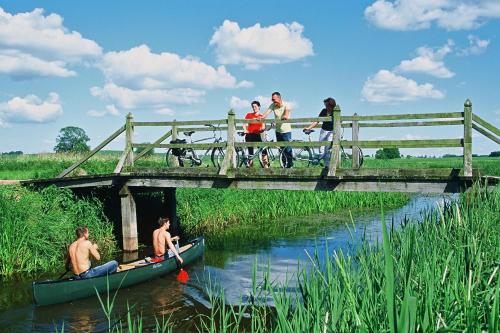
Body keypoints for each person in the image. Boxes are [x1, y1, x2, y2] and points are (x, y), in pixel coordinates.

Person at [261, 92, 293, 168]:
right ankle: (284, 166)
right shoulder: (273, 105)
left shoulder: (286, 104)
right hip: (278, 131)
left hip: (286, 131)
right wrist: (261, 118)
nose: (273, 101)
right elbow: (266, 114)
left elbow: (286, 113)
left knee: (288, 149)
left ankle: (290, 166)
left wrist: (285, 116)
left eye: (274, 99)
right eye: (272, 99)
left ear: (279, 98)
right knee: (281, 150)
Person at [304, 97, 336, 166]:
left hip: (331, 132)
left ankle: (327, 167)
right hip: (323, 130)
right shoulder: (324, 111)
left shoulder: (335, 112)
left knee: (327, 150)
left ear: (331, 105)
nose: (326, 107)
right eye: (325, 105)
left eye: (327, 105)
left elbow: (339, 122)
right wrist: (308, 128)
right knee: (321, 148)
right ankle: (325, 165)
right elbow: (317, 121)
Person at [243, 101, 269, 168]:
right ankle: (250, 168)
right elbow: (244, 124)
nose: (254, 108)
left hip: (258, 135)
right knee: (250, 152)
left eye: (255, 106)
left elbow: (263, 127)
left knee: (263, 150)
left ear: (259, 107)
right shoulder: (249, 115)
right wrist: (245, 130)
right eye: (253, 107)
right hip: (249, 135)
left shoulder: (261, 116)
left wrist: (262, 129)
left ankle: (266, 167)